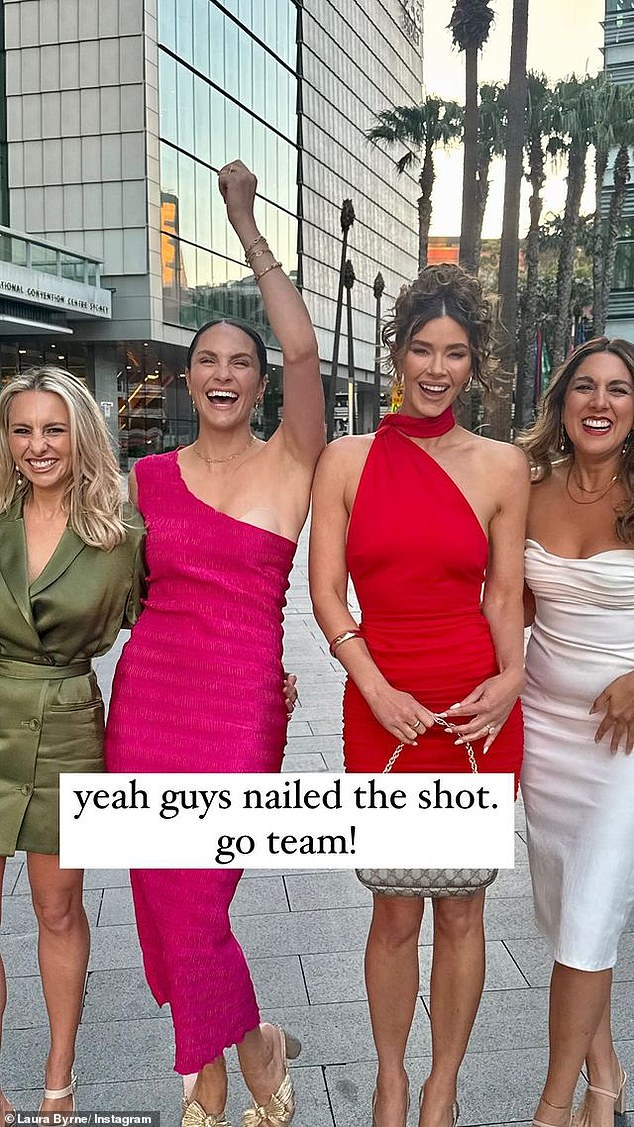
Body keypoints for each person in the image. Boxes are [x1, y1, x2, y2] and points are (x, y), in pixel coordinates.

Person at [104, 159, 324, 1127]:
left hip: (240, 708)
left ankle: (233, 1060)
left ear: (260, 379)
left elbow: (311, 349)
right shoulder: (146, 476)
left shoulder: (293, 459)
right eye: (208, 361)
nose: (225, 374)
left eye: (242, 361)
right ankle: (221, 1064)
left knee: (197, 900)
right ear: (185, 378)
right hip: (148, 697)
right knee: (163, 895)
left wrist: (244, 224)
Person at [309, 263, 528, 1127]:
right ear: (397, 354)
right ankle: (392, 1081)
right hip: (383, 709)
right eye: (422, 350)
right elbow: (328, 591)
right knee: (395, 908)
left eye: (456, 353)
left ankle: (442, 1088)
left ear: (475, 364)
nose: (437, 368)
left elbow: (505, 596)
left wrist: (511, 681)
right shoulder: (346, 458)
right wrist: (373, 685)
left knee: (465, 907)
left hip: (475, 712)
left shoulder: (502, 465)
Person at [0, 366, 145, 1119]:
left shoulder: (121, 533)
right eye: (22, 429)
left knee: (58, 909)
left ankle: (59, 1082)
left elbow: (175, 626)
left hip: (67, 728)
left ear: (81, 433)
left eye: (53, 429)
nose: (37, 445)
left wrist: (262, 684)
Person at [518, 337, 634, 1127]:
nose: (600, 402)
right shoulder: (529, 488)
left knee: (588, 922)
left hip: (624, 749)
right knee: (566, 917)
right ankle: (606, 1080)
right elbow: (505, 606)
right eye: (584, 387)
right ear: (562, 403)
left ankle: (551, 1108)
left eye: (619, 390)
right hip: (542, 731)